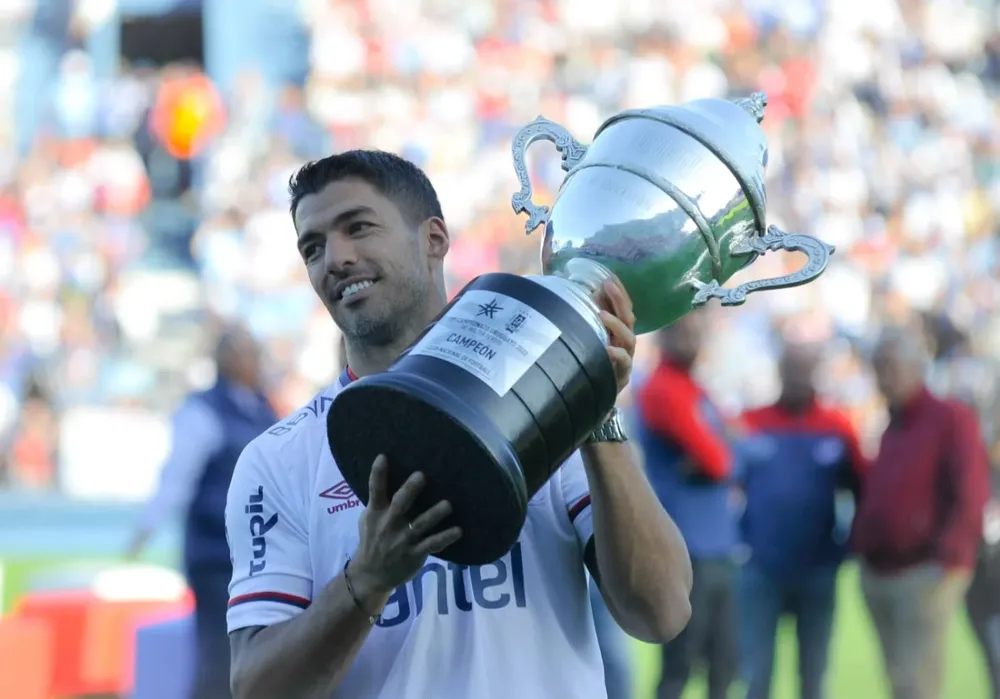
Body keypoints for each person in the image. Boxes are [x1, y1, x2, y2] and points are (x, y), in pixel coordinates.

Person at [223, 150, 693, 699]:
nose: (336, 258)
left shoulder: (543, 396)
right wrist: (367, 581)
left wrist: (595, 412)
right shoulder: (279, 458)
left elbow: (660, 613)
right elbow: (256, 687)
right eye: (314, 247)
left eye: (359, 227)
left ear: (434, 239)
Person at [126, 324, 277, 699]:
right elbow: (177, 476)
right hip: (214, 556)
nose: (259, 360)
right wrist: (146, 528)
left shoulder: (261, 406)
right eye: (250, 352)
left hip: (256, 557)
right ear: (229, 360)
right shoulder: (203, 411)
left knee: (256, 658)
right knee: (219, 658)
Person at [853, 325, 991, 699]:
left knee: (917, 682)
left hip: (926, 570)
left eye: (892, 366)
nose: (884, 376)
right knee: (900, 679)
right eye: (879, 367)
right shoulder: (892, 425)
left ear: (917, 368)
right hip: (884, 569)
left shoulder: (950, 418)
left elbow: (970, 493)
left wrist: (947, 560)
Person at [737, 341, 866, 699]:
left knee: (814, 673)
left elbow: (863, 486)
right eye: (791, 369)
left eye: (804, 369)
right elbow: (725, 481)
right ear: (780, 373)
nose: (797, 378)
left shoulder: (837, 424)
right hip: (762, 567)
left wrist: (847, 546)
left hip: (817, 568)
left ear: (815, 374)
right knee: (755, 672)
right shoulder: (751, 422)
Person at [636, 313, 739, 699]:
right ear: (665, 336)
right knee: (681, 664)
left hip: (715, 543)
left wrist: (725, 450)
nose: (691, 338)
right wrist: (724, 450)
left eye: (697, 329)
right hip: (688, 545)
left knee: (725, 662)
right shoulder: (663, 388)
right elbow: (720, 459)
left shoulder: (694, 388)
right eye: (681, 329)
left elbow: (733, 450)